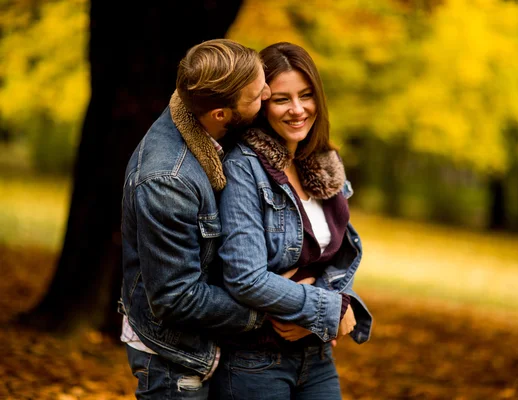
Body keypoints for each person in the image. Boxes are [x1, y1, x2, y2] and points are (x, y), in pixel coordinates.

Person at [211, 42, 373, 400]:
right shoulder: (244, 168)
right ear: (261, 104)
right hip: (256, 360)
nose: (298, 110)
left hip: (315, 355)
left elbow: (336, 259)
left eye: (306, 95)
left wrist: (312, 315)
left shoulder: (321, 164)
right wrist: (330, 308)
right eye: (282, 99)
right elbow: (246, 279)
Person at [119, 39, 272, 399]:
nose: (267, 92)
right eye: (256, 95)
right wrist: (272, 309)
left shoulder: (206, 126)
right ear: (220, 113)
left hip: (205, 345)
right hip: (173, 360)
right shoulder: (167, 181)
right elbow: (176, 297)